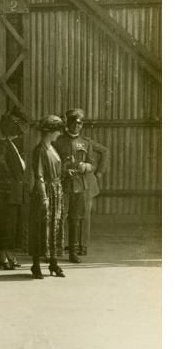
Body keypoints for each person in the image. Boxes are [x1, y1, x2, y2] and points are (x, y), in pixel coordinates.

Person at [53, 109, 108, 263]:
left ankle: (77, 247)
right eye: (73, 123)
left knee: (79, 217)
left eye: (79, 123)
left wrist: (88, 167)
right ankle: (57, 247)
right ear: (68, 124)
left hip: (81, 185)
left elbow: (91, 163)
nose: (76, 126)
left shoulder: (85, 142)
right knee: (60, 216)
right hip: (64, 185)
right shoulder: (58, 141)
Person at [0, 111, 28, 270]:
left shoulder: (9, 144)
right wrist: (10, 178)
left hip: (12, 193)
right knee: (5, 226)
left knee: (10, 226)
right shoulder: (2, 144)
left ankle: (7, 256)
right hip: (6, 193)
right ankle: (2, 257)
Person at [28, 116, 68, 279]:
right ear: (49, 131)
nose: (60, 133)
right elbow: (39, 176)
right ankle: (36, 265)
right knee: (41, 228)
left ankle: (53, 263)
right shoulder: (40, 150)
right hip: (45, 193)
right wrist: (44, 197)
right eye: (58, 130)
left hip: (56, 192)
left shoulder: (52, 148)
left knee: (54, 228)